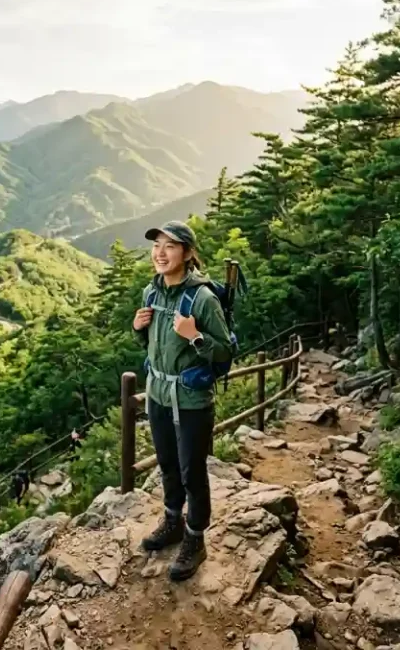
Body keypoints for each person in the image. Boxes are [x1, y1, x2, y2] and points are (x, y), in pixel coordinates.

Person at [133, 221, 232, 581]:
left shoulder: (202, 299)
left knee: (193, 471)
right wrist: (138, 330)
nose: (160, 252)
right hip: (158, 395)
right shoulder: (151, 294)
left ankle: (195, 538)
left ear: (188, 254)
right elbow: (153, 349)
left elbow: (224, 353)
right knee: (167, 464)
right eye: (156, 245)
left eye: (170, 246)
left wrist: (195, 337)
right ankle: (172, 521)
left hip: (190, 400)